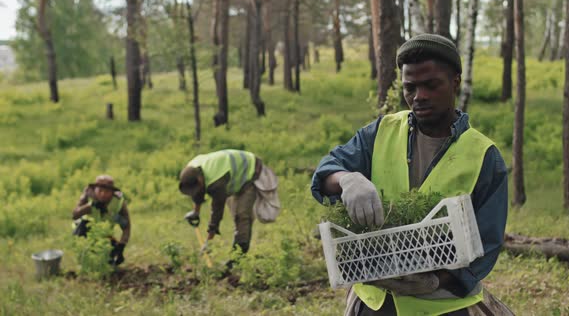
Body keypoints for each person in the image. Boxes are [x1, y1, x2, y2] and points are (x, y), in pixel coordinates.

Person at [311, 34, 509, 315]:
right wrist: (346, 180)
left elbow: (487, 244)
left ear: (454, 82)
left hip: (445, 306)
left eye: (431, 85)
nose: (419, 96)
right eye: (410, 87)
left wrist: (432, 282)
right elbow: (326, 171)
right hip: (376, 302)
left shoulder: (483, 155)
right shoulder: (381, 132)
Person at [179, 149, 279, 263]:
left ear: (200, 180)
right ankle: (238, 253)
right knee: (237, 216)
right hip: (232, 176)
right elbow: (198, 192)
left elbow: (217, 212)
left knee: (241, 216)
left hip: (250, 171)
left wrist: (209, 241)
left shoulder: (216, 182)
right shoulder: (192, 169)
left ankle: (238, 259)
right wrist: (195, 212)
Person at [72, 174, 131, 266]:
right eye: (100, 190)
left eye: (107, 191)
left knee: (109, 261)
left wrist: (122, 245)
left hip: (105, 235)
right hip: (86, 232)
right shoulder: (88, 197)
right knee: (83, 226)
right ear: (95, 190)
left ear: (112, 192)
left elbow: (126, 226)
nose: (103, 194)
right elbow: (75, 215)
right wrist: (90, 206)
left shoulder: (118, 203)